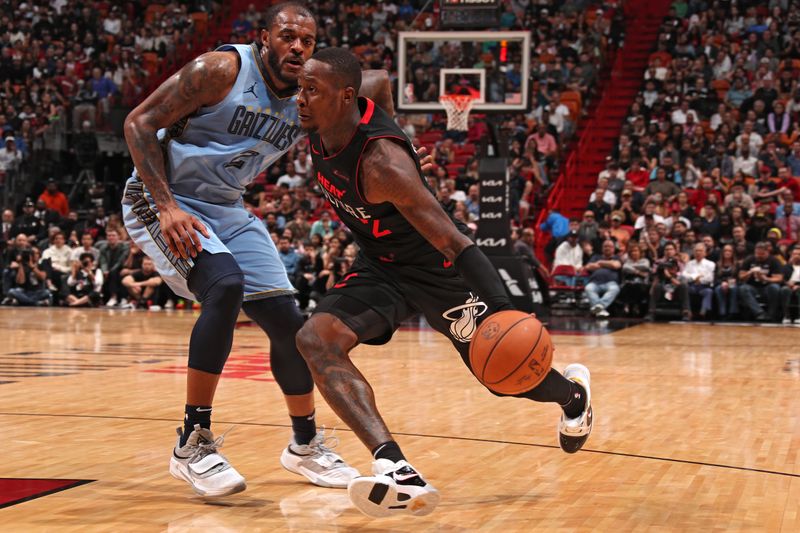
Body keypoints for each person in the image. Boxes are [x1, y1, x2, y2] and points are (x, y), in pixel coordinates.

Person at [293, 48, 593, 517]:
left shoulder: (382, 168)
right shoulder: (345, 107)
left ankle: (573, 396)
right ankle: (394, 467)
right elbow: (378, 78)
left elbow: (457, 244)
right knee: (315, 339)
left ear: (344, 97)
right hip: (382, 265)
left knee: (501, 377)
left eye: (312, 90)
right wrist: (408, 144)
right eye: (300, 87)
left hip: (438, 270)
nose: (301, 99)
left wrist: (505, 309)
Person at [121, 2, 399, 496]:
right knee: (225, 286)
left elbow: (374, 80)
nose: (297, 48)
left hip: (225, 205)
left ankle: (305, 446)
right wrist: (166, 207)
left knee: (291, 328)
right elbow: (139, 123)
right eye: (288, 36)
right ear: (264, 38)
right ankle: (193, 442)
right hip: (163, 195)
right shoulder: (220, 70)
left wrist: (393, 138)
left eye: (308, 41)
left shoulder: (313, 93)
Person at [738, 242, 783, 321]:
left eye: (762, 254)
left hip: (767, 287)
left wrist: (765, 278)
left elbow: (779, 278)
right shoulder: (749, 259)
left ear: (767, 252)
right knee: (743, 288)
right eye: (757, 253)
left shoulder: (774, 260)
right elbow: (741, 276)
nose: (759, 256)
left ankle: (771, 314)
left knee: (775, 287)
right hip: (753, 287)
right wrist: (750, 272)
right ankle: (759, 313)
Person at [583, 239, 622, 318]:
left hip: (611, 283)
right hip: (595, 283)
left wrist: (600, 263)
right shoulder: (596, 256)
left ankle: (599, 307)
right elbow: (588, 267)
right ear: (602, 248)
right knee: (588, 288)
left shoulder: (616, 257)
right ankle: (600, 309)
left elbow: (616, 265)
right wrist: (608, 264)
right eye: (605, 246)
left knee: (615, 289)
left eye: (609, 247)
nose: (607, 248)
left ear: (613, 248)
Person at [680, 243, 715, 319]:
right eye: (696, 251)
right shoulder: (689, 264)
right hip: (692, 286)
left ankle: (704, 312)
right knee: (685, 290)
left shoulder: (710, 264)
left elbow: (710, 278)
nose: (698, 253)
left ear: (705, 253)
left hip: (704, 286)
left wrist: (699, 279)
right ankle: (687, 313)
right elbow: (684, 275)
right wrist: (695, 277)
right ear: (693, 252)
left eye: (700, 251)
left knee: (708, 292)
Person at [780, 247, 800, 324]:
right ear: (791, 255)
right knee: (785, 290)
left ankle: (799, 316)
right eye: (794, 254)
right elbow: (781, 279)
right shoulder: (786, 267)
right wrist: (789, 284)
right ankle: (786, 316)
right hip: (788, 287)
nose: (796, 256)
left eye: (799, 254)